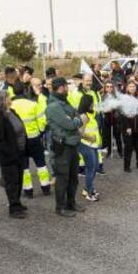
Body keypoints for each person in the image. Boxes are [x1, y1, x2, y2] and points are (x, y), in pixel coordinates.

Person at [46, 76, 84, 217]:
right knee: (63, 178)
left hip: (72, 144)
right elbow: (69, 124)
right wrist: (75, 120)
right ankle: (60, 207)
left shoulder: (64, 102)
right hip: (63, 146)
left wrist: (75, 120)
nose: (67, 88)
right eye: (66, 86)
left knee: (73, 176)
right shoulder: (54, 106)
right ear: (61, 87)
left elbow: (78, 118)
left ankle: (71, 203)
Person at [0, 89, 29, 219]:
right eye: (7, 97)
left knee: (19, 179)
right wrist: (11, 154)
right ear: (2, 101)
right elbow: (0, 141)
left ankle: (17, 202)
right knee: (12, 182)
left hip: (20, 153)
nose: (10, 98)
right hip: (9, 156)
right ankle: (14, 208)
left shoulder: (12, 112)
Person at [12, 80, 53, 197]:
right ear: (25, 90)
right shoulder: (32, 104)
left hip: (19, 141)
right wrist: (40, 131)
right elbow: (42, 120)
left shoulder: (10, 106)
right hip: (34, 138)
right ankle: (45, 187)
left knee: (24, 166)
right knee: (41, 163)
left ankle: (28, 190)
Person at [78, 93, 102, 202]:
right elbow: (79, 133)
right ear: (88, 103)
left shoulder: (90, 113)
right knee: (91, 168)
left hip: (93, 145)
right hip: (86, 145)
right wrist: (89, 137)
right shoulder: (83, 116)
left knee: (95, 167)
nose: (94, 104)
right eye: (92, 102)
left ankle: (88, 188)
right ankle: (88, 192)